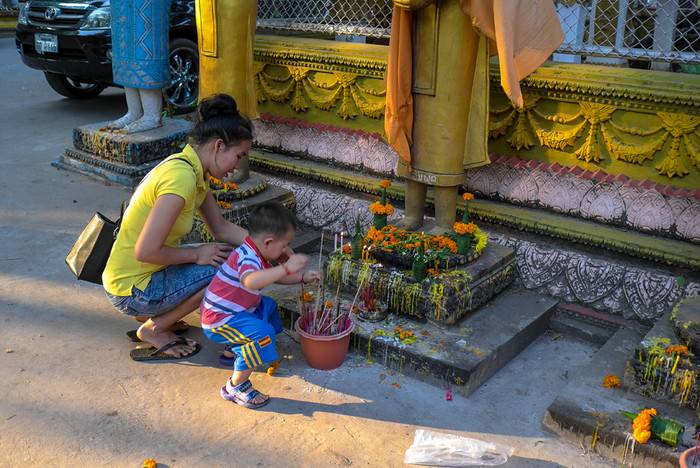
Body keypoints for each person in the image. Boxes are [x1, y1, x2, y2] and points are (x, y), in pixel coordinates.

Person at [103, 94, 255, 361]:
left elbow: (220, 227)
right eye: (239, 155)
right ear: (219, 146)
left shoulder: (192, 170)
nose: (237, 166)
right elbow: (145, 251)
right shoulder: (181, 178)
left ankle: (161, 313)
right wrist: (196, 255)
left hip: (140, 277)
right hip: (132, 289)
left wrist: (265, 248)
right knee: (229, 267)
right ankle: (155, 328)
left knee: (228, 254)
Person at [200, 202, 320, 409]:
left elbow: (272, 277)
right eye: (284, 245)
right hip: (219, 319)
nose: (287, 250)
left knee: (268, 306)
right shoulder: (247, 257)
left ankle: (238, 349)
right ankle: (235, 386)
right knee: (262, 333)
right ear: (268, 242)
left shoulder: (256, 250)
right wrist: (286, 268)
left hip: (233, 311)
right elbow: (251, 281)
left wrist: (301, 277)